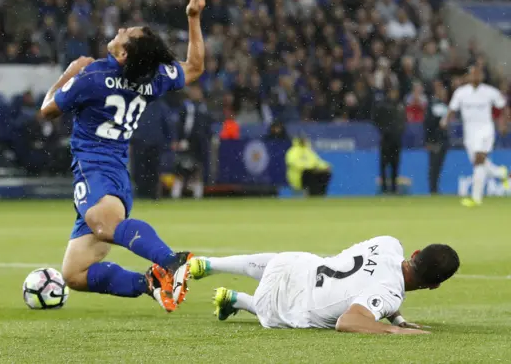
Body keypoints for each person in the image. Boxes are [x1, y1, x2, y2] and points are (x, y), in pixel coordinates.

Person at [39, 0, 206, 312]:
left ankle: (172, 262)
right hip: (115, 171)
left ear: (123, 54)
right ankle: (150, 283)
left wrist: (67, 74)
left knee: (105, 227)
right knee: (74, 274)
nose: (119, 29)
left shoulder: (92, 75)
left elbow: (47, 110)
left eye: (126, 32)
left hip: (96, 168)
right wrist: (194, 18)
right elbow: (195, 67)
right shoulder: (153, 76)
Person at [188, 236, 459, 334]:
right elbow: (348, 322)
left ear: (414, 254)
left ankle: (210, 264)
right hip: (279, 305)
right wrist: (396, 332)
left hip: (292, 266)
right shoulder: (389, 294)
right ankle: (238, 300)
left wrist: (396, 318)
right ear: (434, 286)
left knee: (291, 261)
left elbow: (372, 278)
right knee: (288, 313)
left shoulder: (389, 243)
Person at [441, 64, 510, 207]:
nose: (476, 76)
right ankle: (500, 172)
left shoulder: (490, 91)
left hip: (486, 129)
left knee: (479, 160)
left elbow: (503, 106)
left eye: (478, 74)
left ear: (482, 76)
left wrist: (504, 123)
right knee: (478, 163)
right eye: (473, 74)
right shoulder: (461, 92)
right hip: (469, 132)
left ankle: (476, 198)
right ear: (469, 76)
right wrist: (445, 120)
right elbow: (452, 108)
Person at [171, 83, 212, 200]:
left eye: (198, 91)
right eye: (194, 91)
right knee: (180, 168)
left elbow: (208, 124)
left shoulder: (204, 107)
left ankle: (198, 195)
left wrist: (208, 137)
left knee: (198, 169)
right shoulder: (186, 106)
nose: (196, 93)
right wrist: (179, 139)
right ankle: (175, 194)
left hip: (201, 143)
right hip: (187, 142)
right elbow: (180, 124)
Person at [373, 88, 406, 194]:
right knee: (384, 164)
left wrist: (400, 130)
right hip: (386, 140)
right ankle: (384, 188)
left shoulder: (400, 106)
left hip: (396, 140)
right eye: (392, 92)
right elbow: (375, 119)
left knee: (395, 164)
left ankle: (393, 187)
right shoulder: (383, 106)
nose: (394, 94)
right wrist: (384, 130)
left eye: (395, 92)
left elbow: (403, 121)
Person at [424, 81, 449, 194]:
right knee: (433, 167)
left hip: (443, 141)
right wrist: (429, 141)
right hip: (435, 142)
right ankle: (433, 190)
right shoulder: (432, 105)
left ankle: (435, 189)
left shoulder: (444, 106)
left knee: (438, 167)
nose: (444, 93)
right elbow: (428, 124)